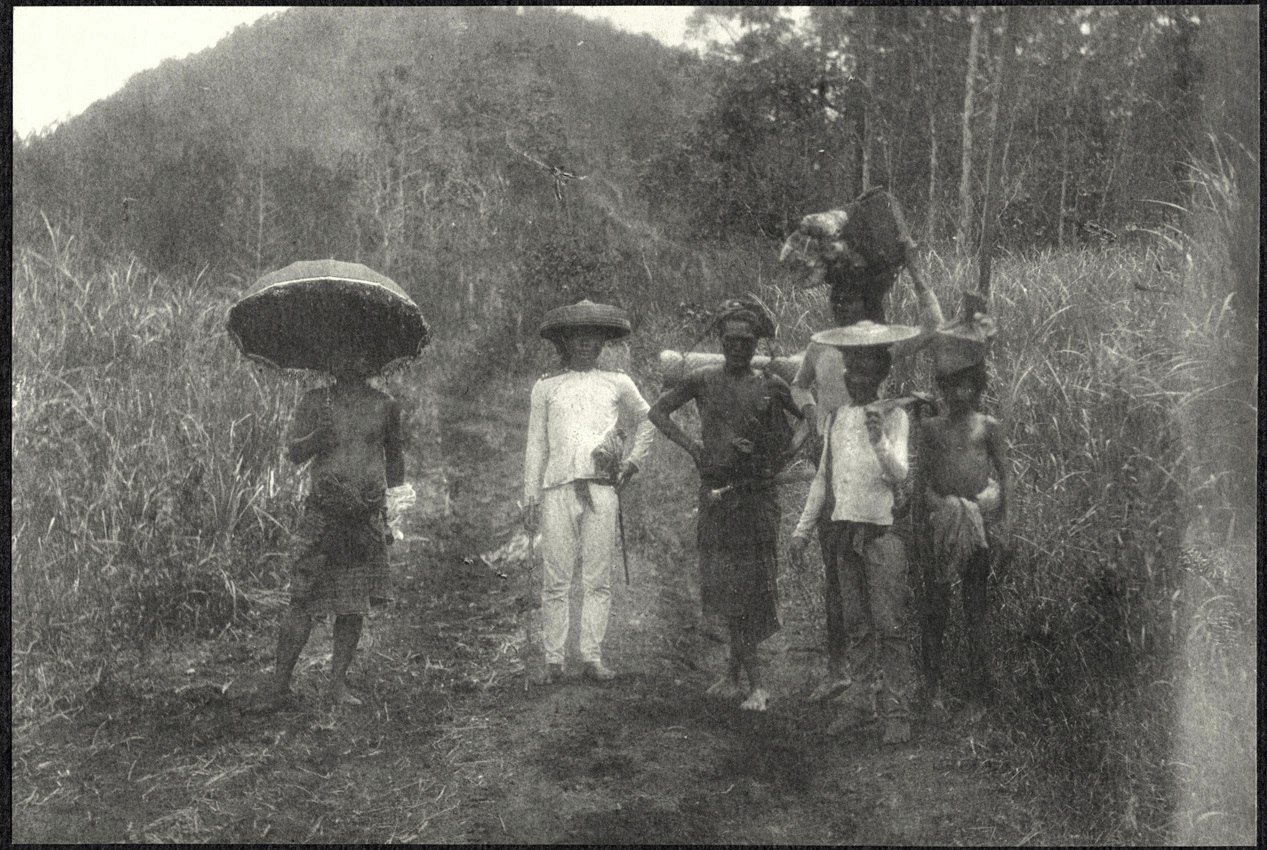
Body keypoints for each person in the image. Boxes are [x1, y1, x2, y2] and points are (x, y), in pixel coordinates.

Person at [791, 259, 945, 704]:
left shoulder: (883, 351)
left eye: (852, 298)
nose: (843, 305)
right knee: (845, 595)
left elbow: (931, 326)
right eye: (837, 298)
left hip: (878, 504)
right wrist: (814, 416)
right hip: (838, 468)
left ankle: (892, 701)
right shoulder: (821, 347)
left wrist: (914, 266)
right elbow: (801, 389)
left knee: (886, 615)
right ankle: (849, 685)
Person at [649, 301, 804, 712]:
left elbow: (810, 417)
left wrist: (786, 455)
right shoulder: (702, 378)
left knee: (752, 584)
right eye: (732, 340)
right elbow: (658, 411)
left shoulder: (770, 384)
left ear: (756, 344)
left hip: (757, 495)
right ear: (721, 342)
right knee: (726, 582)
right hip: (717, 491)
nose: (739, 347)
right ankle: (735, 676)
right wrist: (693, 448)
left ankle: (756, 684)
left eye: (746, 341)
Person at [788, 322, 920, 743]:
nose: (857, 380)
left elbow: (899, 474)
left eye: (866, 373)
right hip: (845, 531)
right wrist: (802, 531)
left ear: (880, 375)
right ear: (844, 376)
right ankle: (860, 700)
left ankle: (897, 711)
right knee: (857, 623)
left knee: (889, 625)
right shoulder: (838, 418)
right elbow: (823, 480)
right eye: (851, 372)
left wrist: (879, 439)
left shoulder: (895, 416)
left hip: (882, 534)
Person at [262, 346, 405, 709]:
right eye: (343, 352)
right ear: (329, 360)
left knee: (353, 603)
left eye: (360, 352)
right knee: (302, 599)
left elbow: (395, 461)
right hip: (324, 514)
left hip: (364, 517)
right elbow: (293, 452)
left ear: (373, 361)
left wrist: (392, 509)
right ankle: (280, 685)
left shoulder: (385, 405)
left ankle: (337, 684)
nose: (352, 361)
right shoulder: (315, 402)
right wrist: (316, 438)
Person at [522, 300, 654, 684]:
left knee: (597, 578)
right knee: (556, 578)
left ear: (601, 343)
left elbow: (649, 418)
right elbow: (536, 445)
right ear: (565, 341)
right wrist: (530, 497)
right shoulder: (546, 386)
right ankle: (553, 660)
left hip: (600, 490)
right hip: (557, 490)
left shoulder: (617, 382)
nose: (585, 345)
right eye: (577, 337)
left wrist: (631, 463)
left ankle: (592, 656)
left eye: (592, 338)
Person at [916, 309, 1009, 720]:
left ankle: (978, 695)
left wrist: (1006, 523)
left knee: (976, 610)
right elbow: (922, 481)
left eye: (967, 386)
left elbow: (1007, 479)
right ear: (942, 389)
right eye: (951, 387)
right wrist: (929, 515)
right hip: (941, 526)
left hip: (979, 525)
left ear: (978, 387)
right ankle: (932, 691)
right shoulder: (932, 429)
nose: (958, 395)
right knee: (935, 608)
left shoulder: (988, 427)